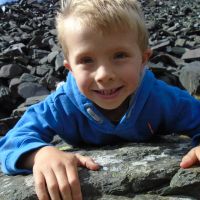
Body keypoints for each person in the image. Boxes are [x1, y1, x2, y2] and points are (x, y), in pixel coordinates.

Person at [0, 0, 200, 199]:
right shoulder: (62, 105)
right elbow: (12, 141)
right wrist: (41, 154)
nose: (104, 75)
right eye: (87, 60)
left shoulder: (162, 98)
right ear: (70, 68)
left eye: (120, 55)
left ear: (143, 59)